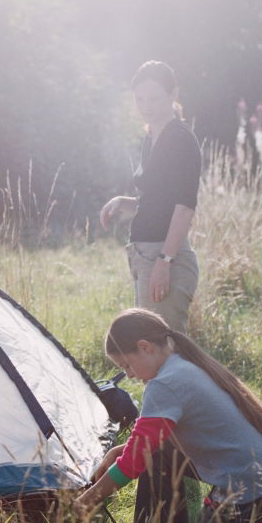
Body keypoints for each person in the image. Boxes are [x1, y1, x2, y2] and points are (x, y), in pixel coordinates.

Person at [76, 309, 262, 523]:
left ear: (145, 347)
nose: (129, 375)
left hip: (251, 489)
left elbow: (135, 460)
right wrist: (117, 451)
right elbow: (149, 444)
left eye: (127, 366)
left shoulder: (164, 384)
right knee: (157, 452)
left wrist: (84, 502)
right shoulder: (184, 362)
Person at [99, 61, 201, 332]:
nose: (146, 106)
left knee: (163, 350)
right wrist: (124, 202)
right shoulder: (152, 137)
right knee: (148, 347)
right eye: (140, 99)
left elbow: (184, 208)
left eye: (154, 98)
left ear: (173, 94)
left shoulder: (179, 139)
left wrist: (164, 261)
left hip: (165, 255)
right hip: (145, 254)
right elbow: (158, 201)